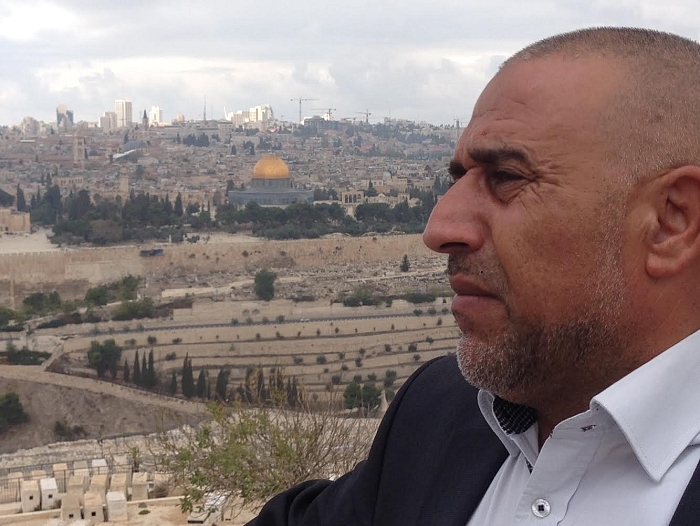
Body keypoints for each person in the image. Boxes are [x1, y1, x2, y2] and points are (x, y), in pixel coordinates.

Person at [247, 27, 700, 525]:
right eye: (459, 178)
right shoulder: (440, 412)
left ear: (671, 221)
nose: (439, 229)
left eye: (506, 177)